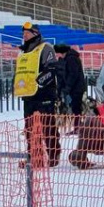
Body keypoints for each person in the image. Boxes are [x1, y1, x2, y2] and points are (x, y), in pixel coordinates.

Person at [13, 22, 60, 167]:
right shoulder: (22, 52)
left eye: (27, 33)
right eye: (23, 33)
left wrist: (39, 83)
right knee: (29, 130)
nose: (24, 36)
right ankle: (34, 157)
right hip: (28, 96)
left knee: (48, 127)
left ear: (35, 34)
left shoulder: (46, 48)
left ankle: (53, 155)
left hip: (44, 94)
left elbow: (52, 69)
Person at [55, 44, 86, 130]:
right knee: (74, 108)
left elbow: (73, 75)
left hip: (76, 88)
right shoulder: (68, 59)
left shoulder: (71, 59)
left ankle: (77, 127)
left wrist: (67, 87)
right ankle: (77, 127)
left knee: (76, 108)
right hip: (74, 88)